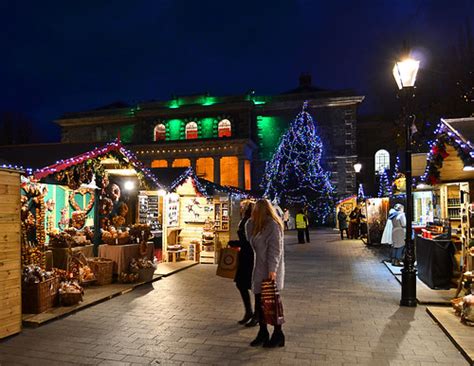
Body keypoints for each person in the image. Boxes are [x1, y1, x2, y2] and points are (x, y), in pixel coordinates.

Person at [245, 199, 285, 348]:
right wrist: (250, 221)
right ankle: (263, 332)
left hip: (269, 271)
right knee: (260, 304)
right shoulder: (256, 225)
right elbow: (250, 239)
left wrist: (272, 270)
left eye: (255, 210)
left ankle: (278, 334)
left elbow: (275, 250)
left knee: (272, 304)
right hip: (259, 269)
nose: (253, 212)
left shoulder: (273, 226)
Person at [234, 202, 257, 326]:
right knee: (241, 284)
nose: (241, 208)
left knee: (252, 286)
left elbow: (251, 241)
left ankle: (256, 315)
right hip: (244, 256)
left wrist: (237, 243)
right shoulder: (244, 220)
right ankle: (249, 311)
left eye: (244, 207)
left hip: (251, 257)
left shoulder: (252, 222)